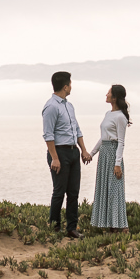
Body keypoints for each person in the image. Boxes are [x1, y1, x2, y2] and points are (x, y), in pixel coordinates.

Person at [41, 71, 90, 238]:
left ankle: (71, 228)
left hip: (73, 152)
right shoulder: (51, 107)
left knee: (74, 192)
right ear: (65, 86)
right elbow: (48, 135)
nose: (71, 86)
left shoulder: (69, 106)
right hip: (59, 152)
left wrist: (83, 150)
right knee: (59, 191)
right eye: (70, 83)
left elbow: (77, 130)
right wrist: (54, 158)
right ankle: (54, 228)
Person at [90, 84, 131, 231]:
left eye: (108, 92)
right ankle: (109, 225)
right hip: (104, 154)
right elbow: (103, 138)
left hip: (113, 154)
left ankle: (121, 226)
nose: (106, 94)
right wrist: (92, 153)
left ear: (114, 97)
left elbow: (121, 141)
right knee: (104, 189)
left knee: (115, 191)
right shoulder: (108, 114)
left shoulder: (120, 117)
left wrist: (117, 163)